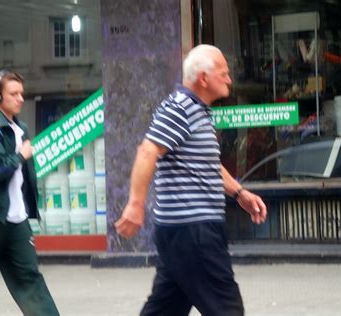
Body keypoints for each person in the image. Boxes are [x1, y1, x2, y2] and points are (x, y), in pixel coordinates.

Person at [115, 44, 268, 315]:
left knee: (165, 308)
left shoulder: (198, 111)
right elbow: (147, 151)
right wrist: (135, 205)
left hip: (183, 231)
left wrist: (239, 193)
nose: (230, 80)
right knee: (227, 309)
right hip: (193, 231)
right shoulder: (181, 107)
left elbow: (207, 166)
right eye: (224, 73)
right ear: (204, 78)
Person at [0, 70, 59, 315]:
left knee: (32, 282)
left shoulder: (22, 128)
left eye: (21, 93)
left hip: (17, 223)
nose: (20, 98)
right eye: (13, 93)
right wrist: (21, 155)